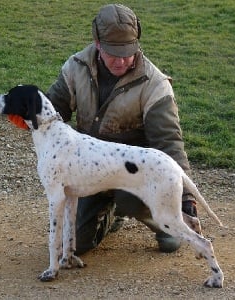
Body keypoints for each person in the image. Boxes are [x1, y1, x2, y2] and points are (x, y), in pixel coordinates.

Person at [46, 4, 197, 254]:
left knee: (133, 203)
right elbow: (52, 112)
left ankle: (165, 223)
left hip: (136, 174)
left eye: (128, 52)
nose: (121, 60)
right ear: (97, 43)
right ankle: (110, 211)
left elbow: (168, 142)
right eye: (113, 52)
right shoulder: (75, 67)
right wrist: (30, 111)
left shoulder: (154, 84)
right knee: (76, 245)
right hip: (90, 170)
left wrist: (186, 199)